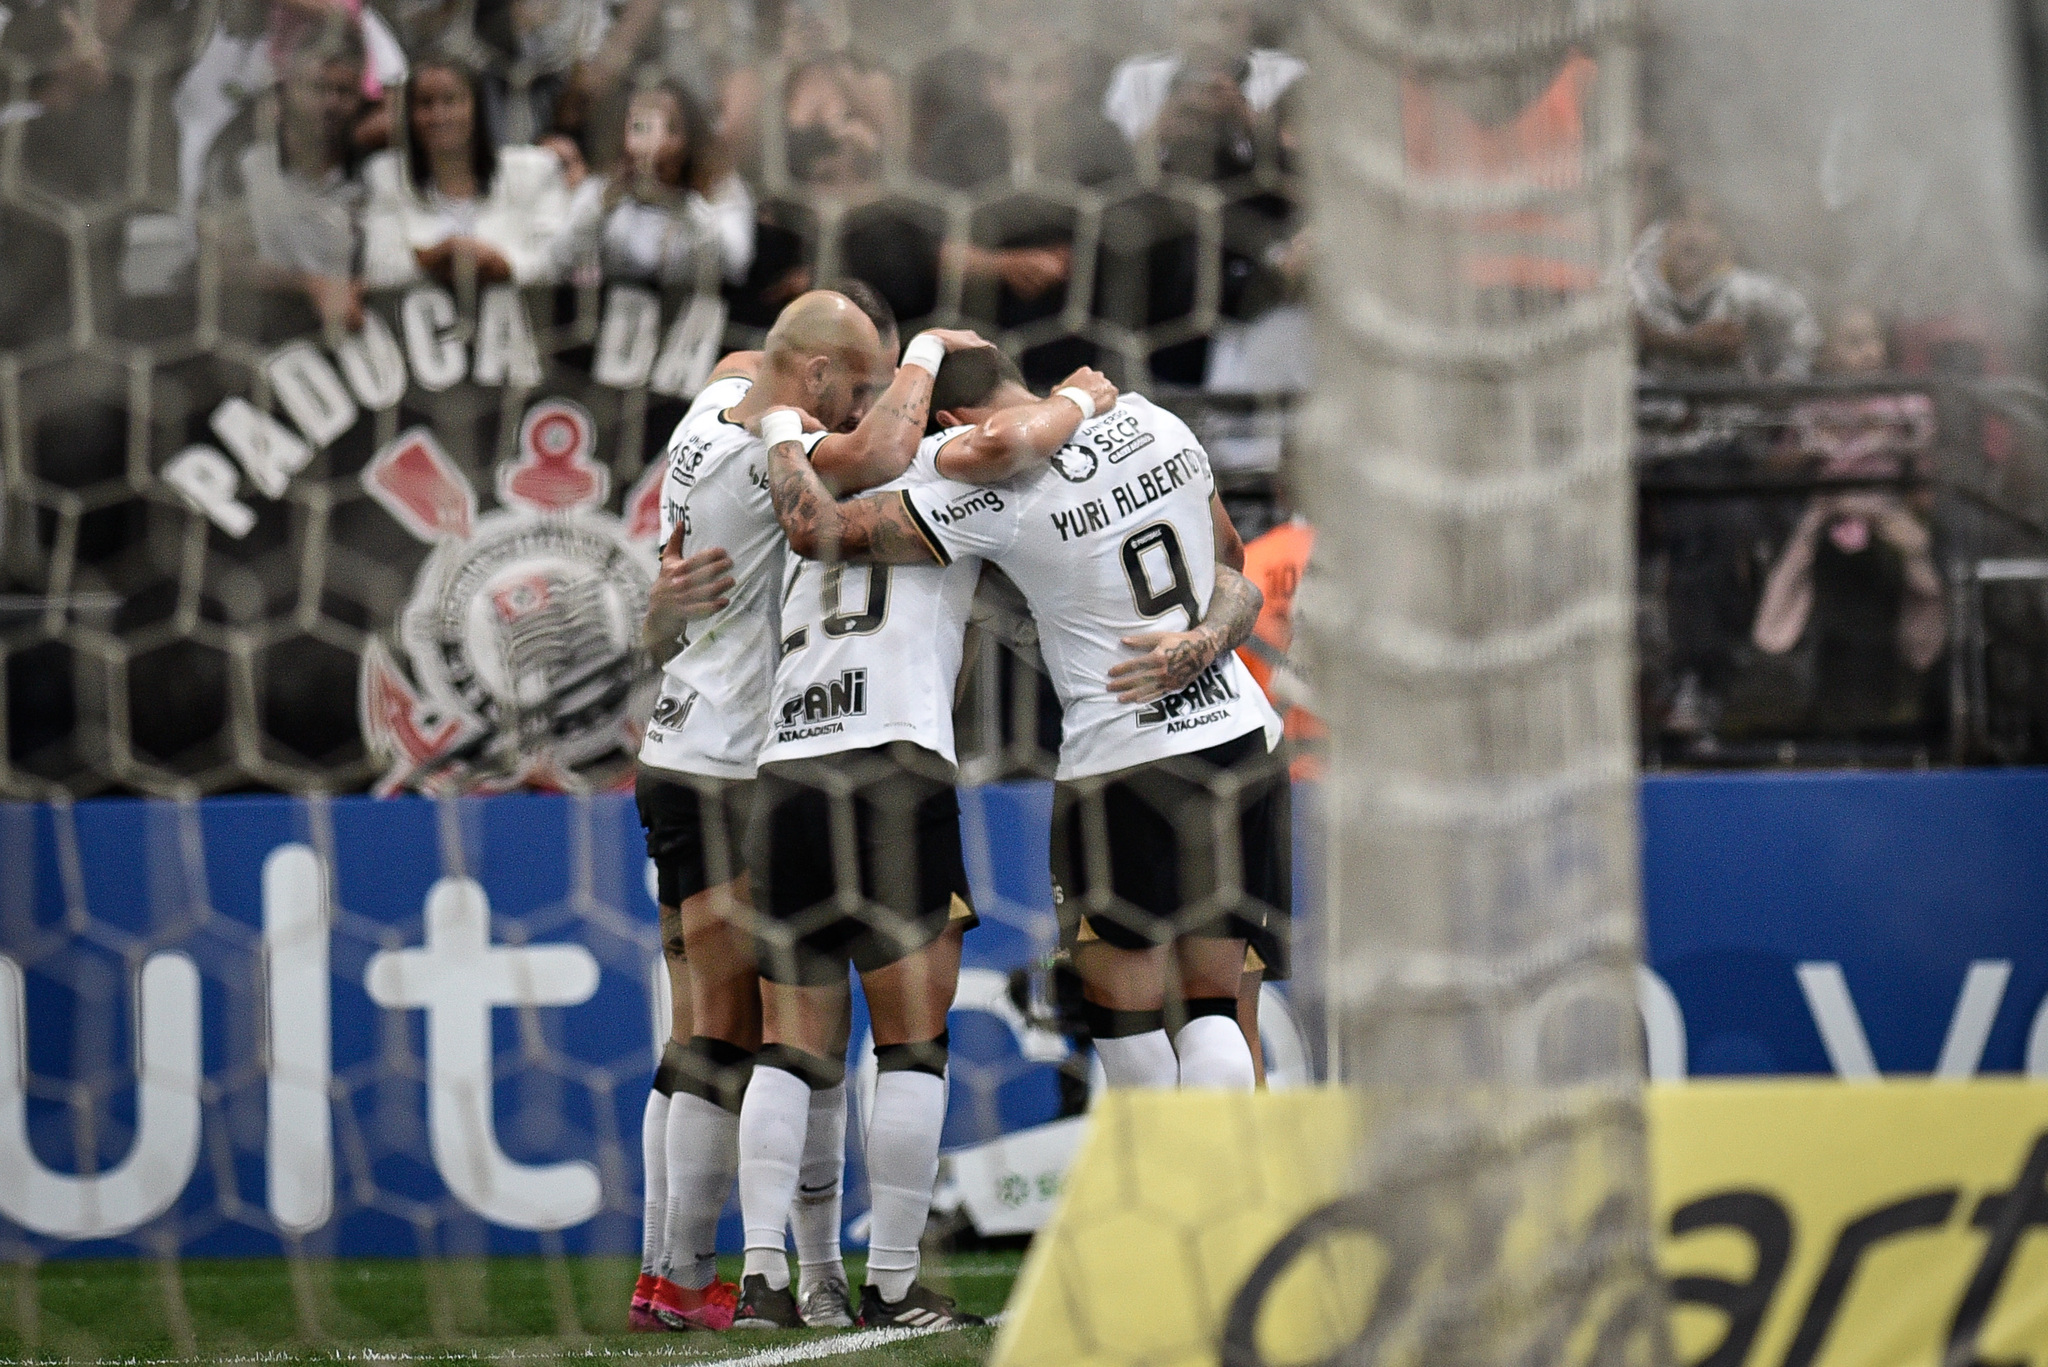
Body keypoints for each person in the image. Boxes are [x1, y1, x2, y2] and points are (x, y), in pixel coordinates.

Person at [756, 346, 1281, 1100]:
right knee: (1212, 1008)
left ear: (947, 424)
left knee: (1128, 1030)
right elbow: (1230, 561)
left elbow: (822, 530)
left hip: (1123, 760)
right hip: (1237, 739)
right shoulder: (1154, 421)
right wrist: (1196, 644)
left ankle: (1173, 1202)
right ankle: (1229, 1198)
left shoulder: (999, 495)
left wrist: (780, 432)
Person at [740, 348, 1120, 1330]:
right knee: (910, 1043)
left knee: (788, 1046)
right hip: (892, 763)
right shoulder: (954, 468)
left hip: (786, 768)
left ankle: (760, 1280)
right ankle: (895, 1283)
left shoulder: (799, 486)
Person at [631, 291, 986, 1332]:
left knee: (738, 1036)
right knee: (882, 1039)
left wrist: (655, 603)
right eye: (860, 376)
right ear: (825, 377)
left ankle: (723, 1275)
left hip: (728, 754)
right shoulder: (884, 469)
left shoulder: (718, 419)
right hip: (788, 756)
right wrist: (929, 364)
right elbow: (871, 458)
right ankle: (861, 1276)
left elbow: (761, 376)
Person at [360, 59, 573, 289]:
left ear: (477, 107)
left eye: (451, 101)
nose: (439, 115)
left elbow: (557, 262)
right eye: (425, 104)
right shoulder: (385, 176)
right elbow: (378, 271)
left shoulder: (534, 170)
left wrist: (502, 265)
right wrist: (431, 259)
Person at [234, 20, 368, 335]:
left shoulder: (372, 179)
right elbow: (219, 264)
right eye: (319, 88)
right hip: (263, 336)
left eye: (344, 91)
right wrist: (312, 286)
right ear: (286, 92)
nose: (332, 103)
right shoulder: (246, 169)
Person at [556, 81, 753, 291]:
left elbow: (735, 264)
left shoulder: (720, 186)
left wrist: (679, 202)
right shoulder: (603, 187)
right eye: (639, 127)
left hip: (695, 312)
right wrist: (603, 205)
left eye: (671, 128)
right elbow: (559, 260)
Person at [1102, 0, 1302, 170]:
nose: (1209, 35)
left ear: (1250, 18)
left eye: (1225, 17)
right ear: (1174, 21)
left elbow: (1309, 162)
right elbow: (1109, 167)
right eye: (1193, 18)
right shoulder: (1138, 77)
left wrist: (1245, 117)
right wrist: (1162, 128)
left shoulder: (1285, 75)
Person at [1631, 201, 1820, 380]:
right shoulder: (1637, 289)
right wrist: (1683, 343)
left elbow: (1806, 336)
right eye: (1682, 219)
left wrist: (1782, 384)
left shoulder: (1752, 293)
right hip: (1648, 410)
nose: (1692, 234)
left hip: (1732, 409)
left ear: (1727, 238)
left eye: (1708, 223)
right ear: (1664, 229)